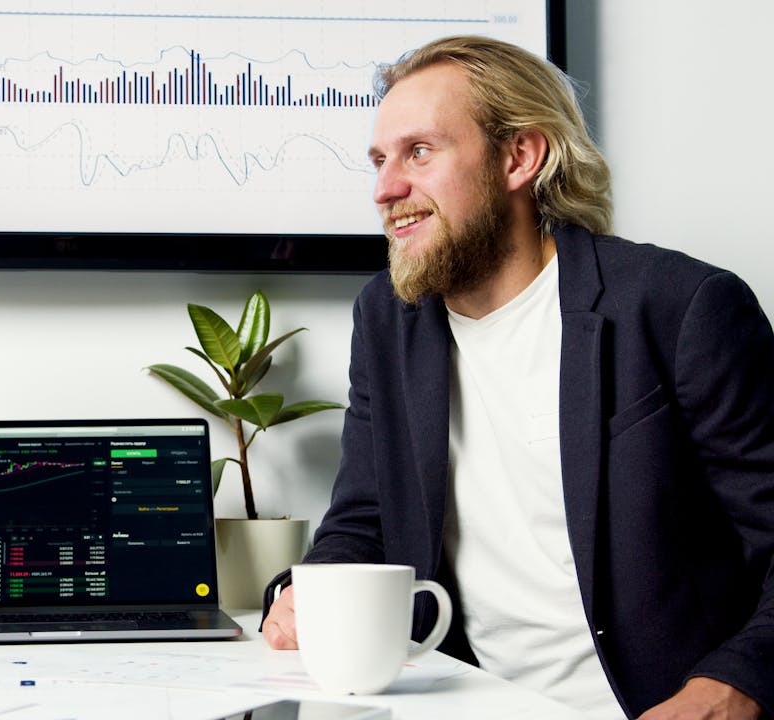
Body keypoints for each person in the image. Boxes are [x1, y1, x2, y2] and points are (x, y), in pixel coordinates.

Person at [259, 35, 773, 720]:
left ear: (518, 158)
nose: (386, 188)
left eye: (420, 152)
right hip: (465, 702)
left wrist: (731, 689)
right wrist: (305, 592)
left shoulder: (680, 306)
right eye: (380, 161)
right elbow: (365, 521)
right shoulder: (388, 317)